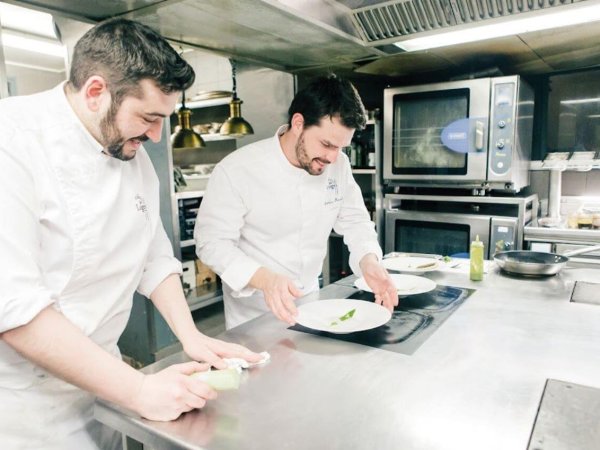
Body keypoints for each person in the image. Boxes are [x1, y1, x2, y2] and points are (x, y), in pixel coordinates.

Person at [0, 18, 261, 449]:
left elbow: (153, 254)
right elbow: (15, 309)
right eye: (149, 117)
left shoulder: (130, 155)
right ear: (97, 92)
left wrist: (190, 335)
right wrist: (139, 390)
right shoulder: (12, 142)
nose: (158, 135)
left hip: (107, 379)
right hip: (25, 406)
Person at [195, 74, 398, 330]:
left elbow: (355, 221)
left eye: (341, 148)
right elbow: (211, 242)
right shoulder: (237, 169)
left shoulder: (338, 165)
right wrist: (264, 279)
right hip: (255, 312)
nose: (333, 158)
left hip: (313, 303)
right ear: (298, 123)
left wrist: (369, 261)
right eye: (326, 144)